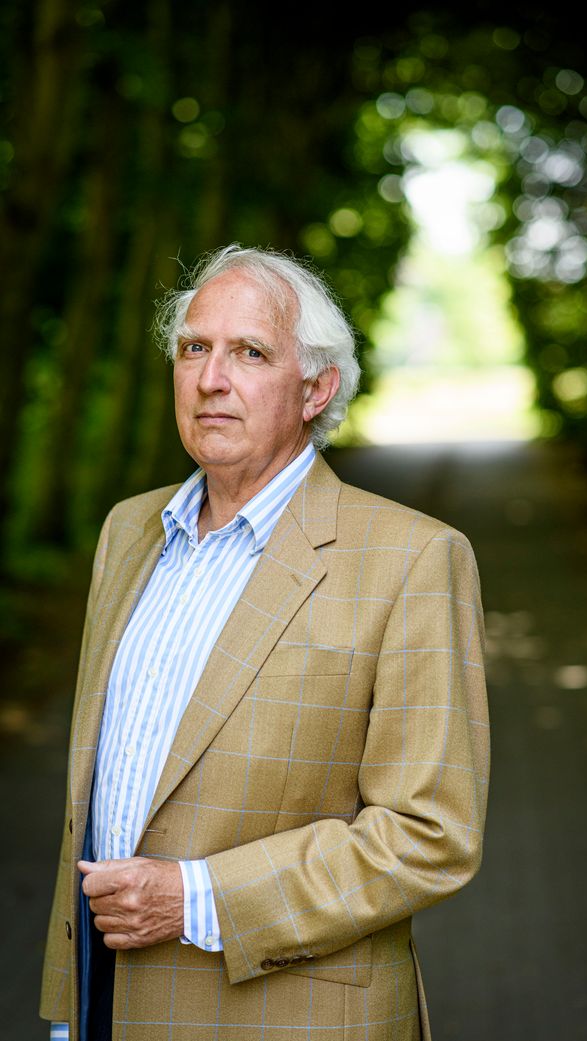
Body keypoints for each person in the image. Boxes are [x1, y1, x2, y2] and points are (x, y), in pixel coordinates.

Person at [40, 244, 490, 1041]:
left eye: (250, 352)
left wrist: (197, 898)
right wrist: (68, 1011)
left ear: (317, 388)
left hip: (290, 1020)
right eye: (194, 348)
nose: (212, 378)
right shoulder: (128, 532)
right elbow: (96, 804)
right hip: (105, 1004)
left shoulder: (415, 558)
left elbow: (430, 835)